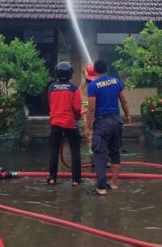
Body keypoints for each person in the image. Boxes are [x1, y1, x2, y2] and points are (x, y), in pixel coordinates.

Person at [85, 59, 131, 195]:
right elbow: (124, 100)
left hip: (102, 122)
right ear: (106, 68)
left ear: (94, 71)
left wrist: (88, 127)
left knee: (100, 155)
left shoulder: (93, 86)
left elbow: (91, 108)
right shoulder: (116, 81)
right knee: (115, 152)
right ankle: (114, 183)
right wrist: (127, 115)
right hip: (116, 120)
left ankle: (101, 188)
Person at [47, 62, 82, 186]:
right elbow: (77, 108)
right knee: (75, 151)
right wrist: (77, 117)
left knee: (53, 150)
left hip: (55, 122)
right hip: (70, 123)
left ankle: (52, 178)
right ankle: (76, 180)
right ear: (70, 73)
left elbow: (51, 105)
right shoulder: (74, 88)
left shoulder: (51, 88)